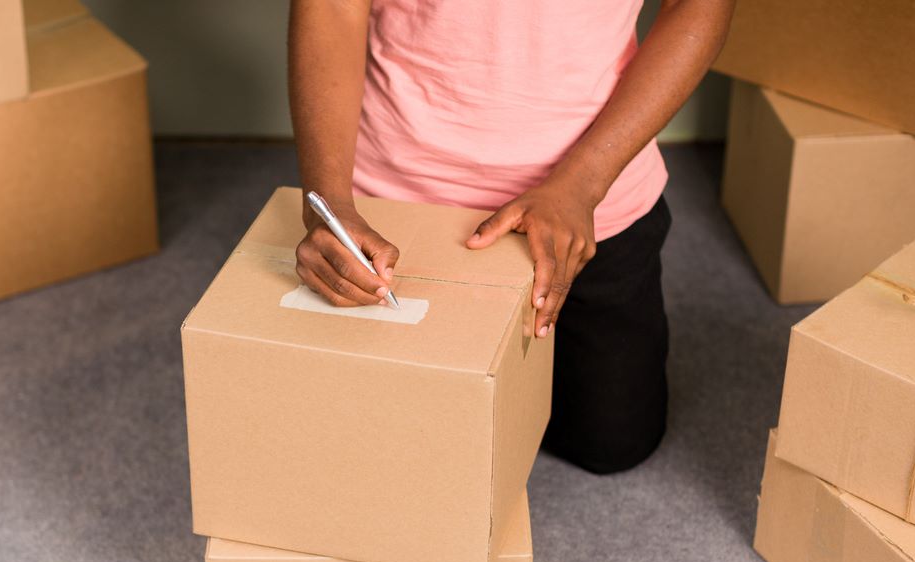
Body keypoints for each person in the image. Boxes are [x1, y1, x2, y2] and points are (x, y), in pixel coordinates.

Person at [288, 0, 733, 474]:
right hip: (397, 198)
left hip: (591, 195)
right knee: (383, 451)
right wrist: (329, 200)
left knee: (613, 444)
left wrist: (584, 183)